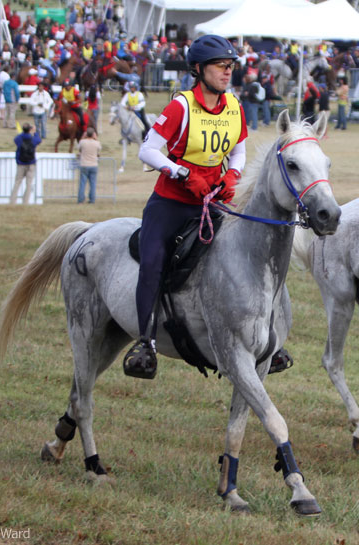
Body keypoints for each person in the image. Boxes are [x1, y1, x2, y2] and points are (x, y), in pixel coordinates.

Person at [123, 35, 247, 379]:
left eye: (231, 66)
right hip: (171, 203)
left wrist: (233, 175)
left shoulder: (234, 105)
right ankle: (144, 343)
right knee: (151, 264)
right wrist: (182, 173)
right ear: (198, 69)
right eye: (221, 66)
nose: (227, 72)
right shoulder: (181, 106)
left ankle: (263, 337)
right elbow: (147, 150)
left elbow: (239, 150)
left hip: (212, 201)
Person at [11, 123, 42, 204]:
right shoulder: (33, 139)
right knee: (29, 184)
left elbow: (15, 140)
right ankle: (25, 202)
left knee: (17, 182)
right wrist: (34, 132)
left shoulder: (20, 138)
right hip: (31, 164)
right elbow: (39, 140)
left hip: (21, 163)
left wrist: (23, 132)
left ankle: (12, 201)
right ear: (30, 129)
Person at [77, 127, 101, 203]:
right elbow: (99, 148)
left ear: (86, 134)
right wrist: (96, 138)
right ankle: (92, 199)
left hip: (84, 164)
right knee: (93, 184)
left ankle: (81, 199)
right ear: (93, 134)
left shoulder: (83, 142)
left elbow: (78, 147)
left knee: (82, 183)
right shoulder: (96, 143)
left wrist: (82, 137)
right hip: (94, 165)